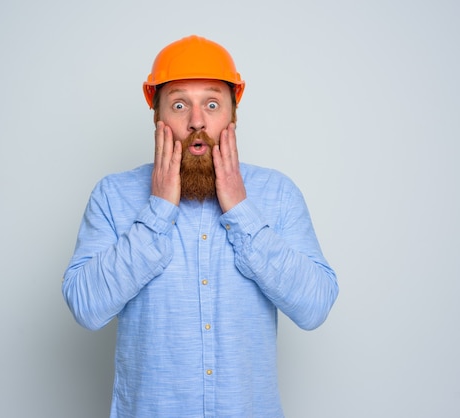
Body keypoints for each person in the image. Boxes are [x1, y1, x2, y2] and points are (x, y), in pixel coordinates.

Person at [62, 34, 339, 417]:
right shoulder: (114, 195)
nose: (196, 121)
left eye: (212, 104)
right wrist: (157, 210)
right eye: (179, 105)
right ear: (158, 116)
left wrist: (241, 211)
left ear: (233, 116)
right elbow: (85, 307)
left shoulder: (278, 193)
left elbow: (315, 306)